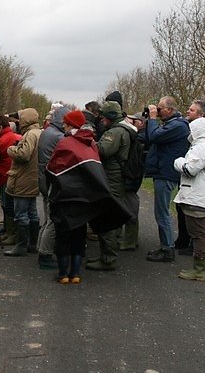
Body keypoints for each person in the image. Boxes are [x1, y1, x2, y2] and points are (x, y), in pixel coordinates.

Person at [46, 109, 131, 283]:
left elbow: (53, 167)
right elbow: (95, 169)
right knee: (79, 236)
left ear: (71, 125)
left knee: (63, 237)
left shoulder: (65, 143)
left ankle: (63, 274)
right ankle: (75, 274)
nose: (63, 125)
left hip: (66, 197)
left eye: (65, 123)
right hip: (85, 198)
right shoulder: (91, 143)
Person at [88, 101, 136, 271]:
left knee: (107, 217)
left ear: (110, 117)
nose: (101, 119)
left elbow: (103, 151)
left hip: (112, 178)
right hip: (117, 178)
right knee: (113, 215)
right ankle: (108, 254)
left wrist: (90, 142)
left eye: (104, 116)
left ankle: (108, 258)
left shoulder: (115, 132)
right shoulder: (124, 130)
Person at [142, 96, 190, 262]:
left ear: (170, 110)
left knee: (162, 212)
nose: (158, 111)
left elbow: (155, 137)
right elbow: (151, 137)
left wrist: (153, 118)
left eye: (160, 108)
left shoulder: (178, 126)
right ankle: (166, 246)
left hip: (166, 173)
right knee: (161, 211)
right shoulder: (172, 124)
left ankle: (167, 249)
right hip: (163, 171)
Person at [173, 117, 205, 281]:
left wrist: (178, 161)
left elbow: (189, 169)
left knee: (199, 234)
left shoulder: (200, 148)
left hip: (198, 198)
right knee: (201, 231)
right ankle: (198, 267)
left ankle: (199, 270)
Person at [4, 108, 43, 257]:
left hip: (23, 178)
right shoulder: (39, 133)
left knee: (21, 214)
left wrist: (11, 149)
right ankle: (32, 244)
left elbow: (24, 155)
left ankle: (21, 246)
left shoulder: (29, 135)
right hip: (33, 178)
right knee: (33, 213)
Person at [36, 105, 71, 269]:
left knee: (47, 217)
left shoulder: (47, 131)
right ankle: (45, 254)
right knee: (52, 220)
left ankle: (40, 248)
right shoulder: (58, 136)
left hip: (43, 178)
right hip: (51, 181)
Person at [175, 99, 205, 255]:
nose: (188, 112)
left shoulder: (202, 145)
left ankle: (197, 253)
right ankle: (185, 240)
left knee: (197, 222)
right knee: (185, 212)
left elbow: (191, 169)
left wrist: (179, 162)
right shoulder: (196, 139)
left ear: (201, 115)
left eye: (192, 110)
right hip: (193, 186)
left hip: (198, 188)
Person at [0, 114, 22, 246]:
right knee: (5, 203)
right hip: (6, 174)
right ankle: (7, 229)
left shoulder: (3, 139)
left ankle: (11, 233)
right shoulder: (9, 136)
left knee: (6, 204)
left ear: (0, 127)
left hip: (5, 174)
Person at [119, 112, 144, 251]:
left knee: (131, 209)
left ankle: (130, 241)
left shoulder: (137, 139)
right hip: (133, 179)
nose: (132, 122)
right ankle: (131, 240)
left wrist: (128, 179)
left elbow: (134, 165)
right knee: (131, 207)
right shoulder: (136, 138)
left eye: (135, 120)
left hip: (131, 179)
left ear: (141, 122)